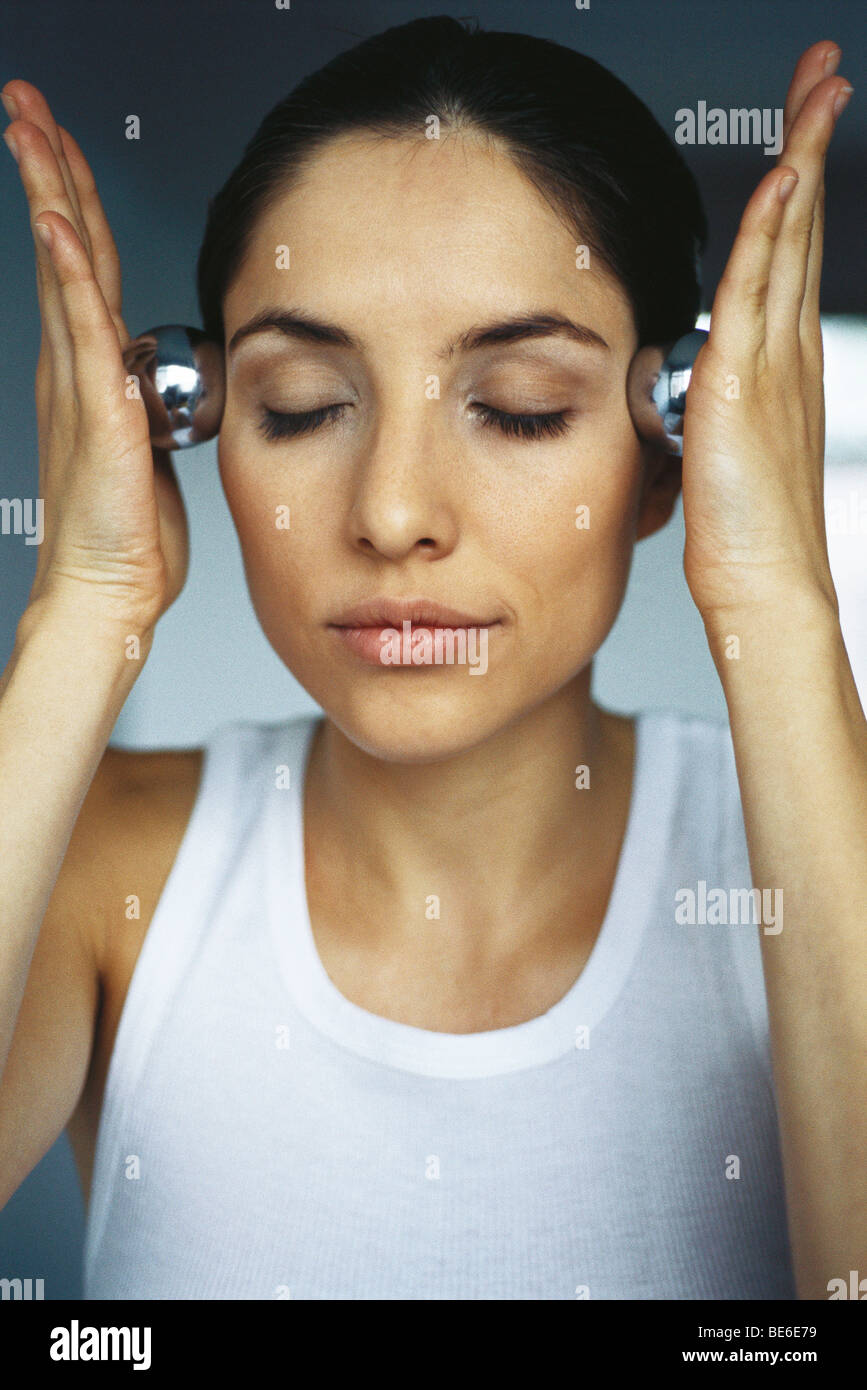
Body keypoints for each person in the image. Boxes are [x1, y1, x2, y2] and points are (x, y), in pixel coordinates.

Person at [0, 16, 863, 1301]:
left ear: (669, 444)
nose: (394, 509)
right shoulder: (103, 872)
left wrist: (778, 595)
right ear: (199, 420)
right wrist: (85, 603)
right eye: (300, 405)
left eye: (521, 406)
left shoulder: (813, 865)